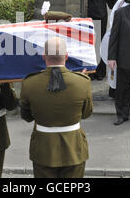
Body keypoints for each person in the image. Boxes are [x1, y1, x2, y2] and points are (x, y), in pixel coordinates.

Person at [20, 37, 93, 178]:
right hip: (74, 149)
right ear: (66, 56)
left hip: (43, 148)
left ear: (44, 56)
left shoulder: (29, 83)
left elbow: (27, 117)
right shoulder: (83, 82)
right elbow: (86, 113)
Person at [83, 0, 109, 81]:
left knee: (100, 43)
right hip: (90, 17)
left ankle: (100, 72)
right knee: (91, 43)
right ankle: (90, 71)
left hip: (102, 16)